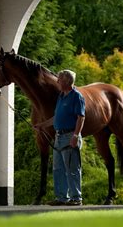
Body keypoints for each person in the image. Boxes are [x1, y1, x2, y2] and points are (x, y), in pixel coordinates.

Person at [48, 69, 85, 206]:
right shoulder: (61, 96)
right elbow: (56, 117)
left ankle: (76, 198)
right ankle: (62, 198)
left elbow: (81, 117)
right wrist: (42, 125)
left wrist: (75, 135)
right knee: (58, 169)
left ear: (67, 81)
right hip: (59, 137)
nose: (57, 81)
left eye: (59, 79)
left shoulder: (77, 96)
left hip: (70, 135)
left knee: (72, 169)